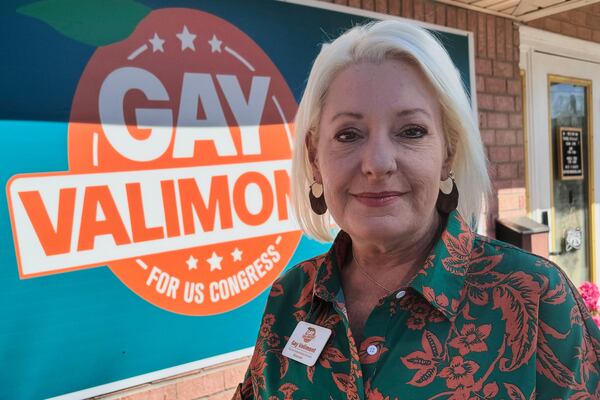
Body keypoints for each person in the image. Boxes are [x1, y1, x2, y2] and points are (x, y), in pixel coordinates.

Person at [234, 20, 600, 399]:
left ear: (448, 153)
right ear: (314, 157)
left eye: (411, 131)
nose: (378, 163)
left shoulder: (535, 297)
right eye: (348, 134)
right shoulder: (290, 296)